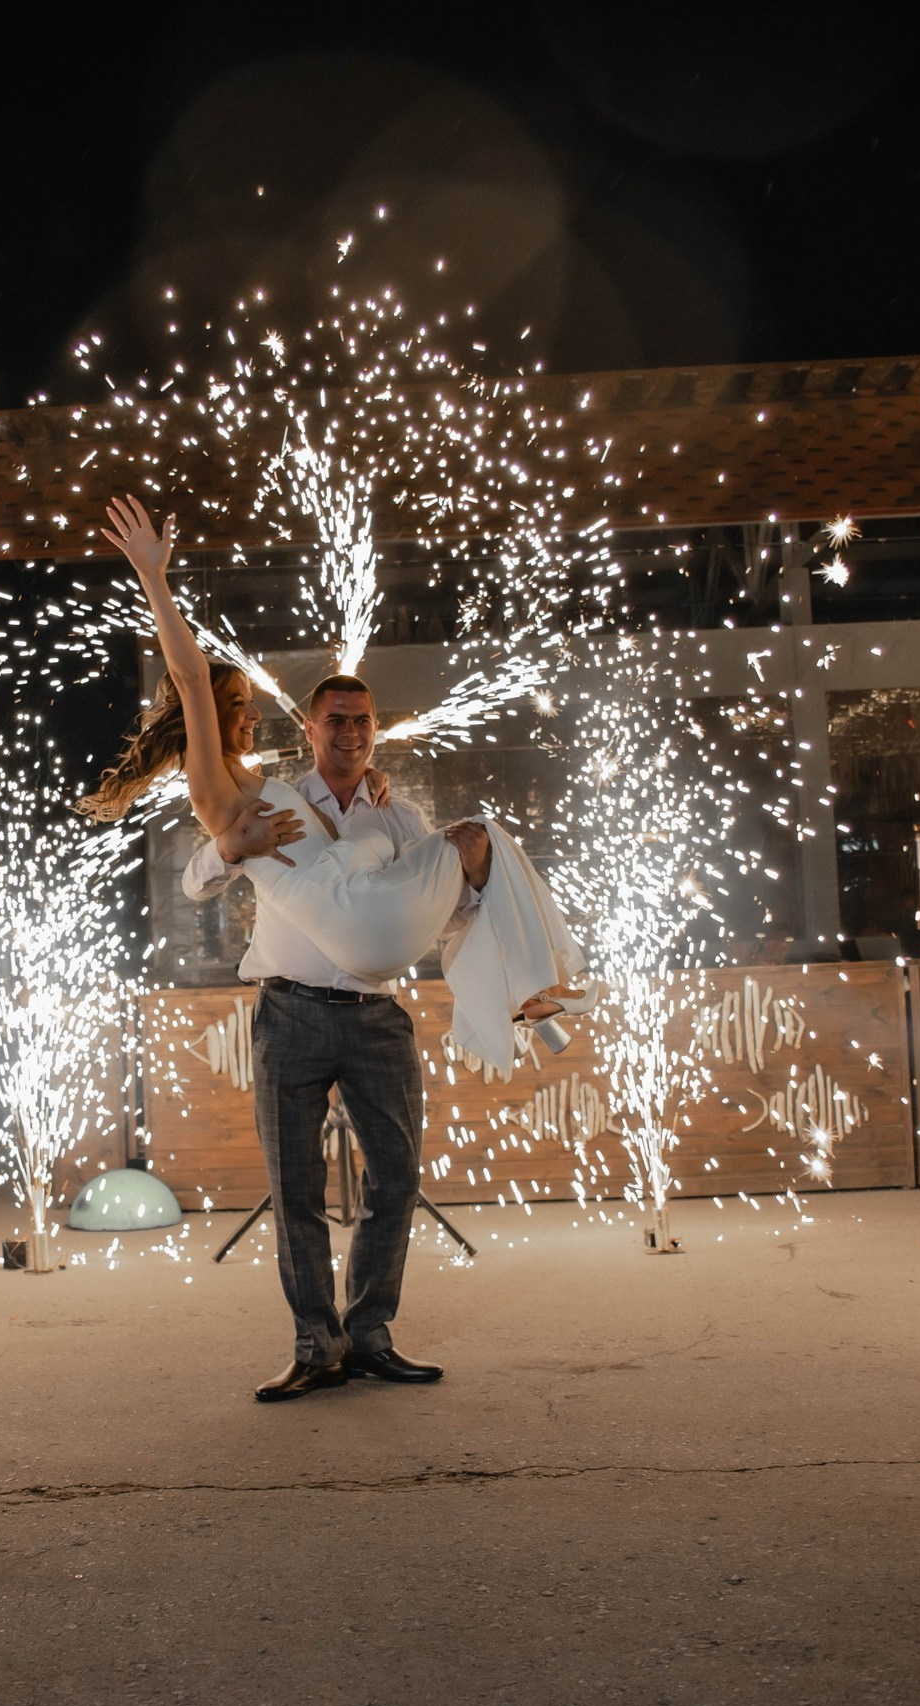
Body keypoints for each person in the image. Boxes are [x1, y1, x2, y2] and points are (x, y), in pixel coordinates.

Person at [83, 494, 585, 1402]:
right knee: (298, 1192)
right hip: (292, 1010)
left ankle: (371, 1332)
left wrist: (480, 947)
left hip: (378, 1007)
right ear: (306, 729)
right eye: (334, 721)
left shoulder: (396, 813)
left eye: (362, 722)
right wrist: (157, 580)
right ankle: (316, 1344)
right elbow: (191, 682)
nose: (348, 732)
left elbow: (432, 901)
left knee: (397, 1177)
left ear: (372, 731)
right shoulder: (246, 797)